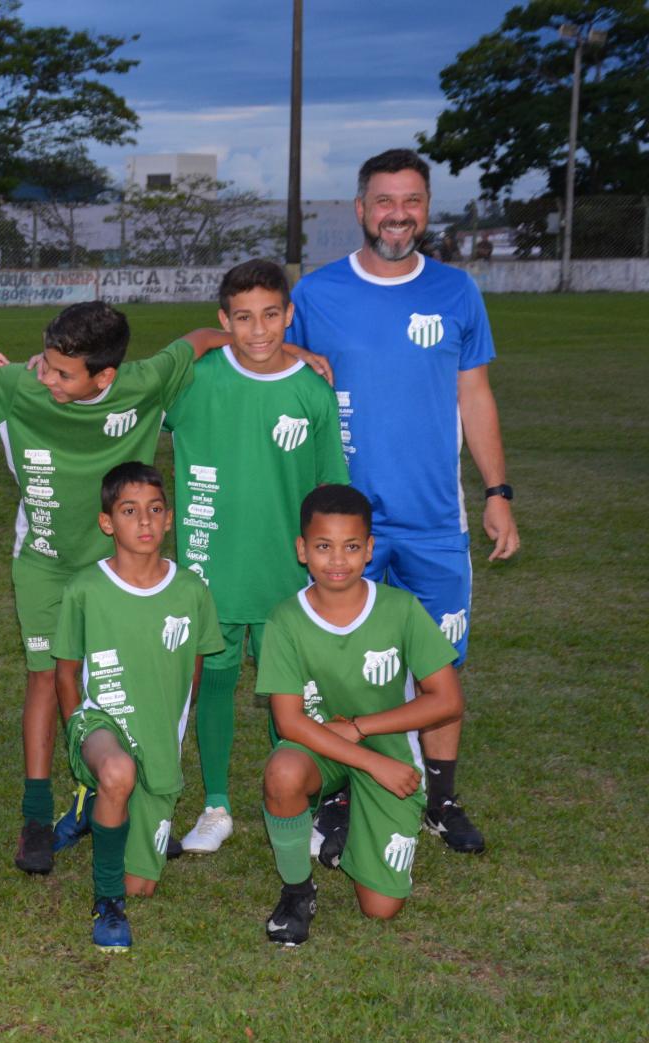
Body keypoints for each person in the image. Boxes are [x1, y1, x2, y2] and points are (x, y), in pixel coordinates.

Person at [286, 148, 518, 857]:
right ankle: (341, 794)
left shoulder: (457, 292)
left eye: (411, 200)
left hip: (434, 523)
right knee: (341, 665)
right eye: (384, 200)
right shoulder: (318, 294)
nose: (397, 214)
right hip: (344, 527)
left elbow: (474, 395)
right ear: (359, 209)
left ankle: (439, 799)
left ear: (425, 208)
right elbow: (276, 372)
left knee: (438, 664)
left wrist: (498, 493)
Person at [0, 303, 240, 875]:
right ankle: (37, 816)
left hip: (123, 572)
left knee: (141, 682)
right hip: (44, 562)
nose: (45, 377)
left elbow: (197, 340)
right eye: (45, 362)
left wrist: (276, 348)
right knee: (46, 675)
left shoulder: (143, 382)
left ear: (105, 377)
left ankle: (141, 800)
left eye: (62, 373)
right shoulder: (21, 385)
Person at [160, 260, 348, 855]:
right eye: (243, 318)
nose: (259, 330)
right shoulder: (195, 381)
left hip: (285, 576)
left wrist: (329, 567)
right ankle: (216, 805)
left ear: (290, 317)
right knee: (213, 683)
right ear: (223, 321)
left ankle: (289, 800)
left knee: (287, 696)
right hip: (212, 567)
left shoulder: (311, 390)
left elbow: (330, 489)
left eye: (271, 315)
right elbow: (129, 391)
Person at [257, 484, 464, 946]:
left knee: (380, 909)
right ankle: (297, 890)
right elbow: (290, 723)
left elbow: (447, 699)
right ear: (302, 550)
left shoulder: (400, 609)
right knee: (283, 771)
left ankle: (347, 820)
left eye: (351, 547)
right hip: (319, 747)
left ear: (369, 550)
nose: (337, 560)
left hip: (385, 748)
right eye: (323, 547)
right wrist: (369, 762)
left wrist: (361, 731)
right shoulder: (285, 620)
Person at [51, 463, 223, 950]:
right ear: (108, 523)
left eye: (154, 511)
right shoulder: (85, 589)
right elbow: (66, 670)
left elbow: (192, 670)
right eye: (129, 511)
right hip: (99, 720)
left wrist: (174, 731)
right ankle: (107, 904)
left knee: (142, 885)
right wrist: (76, 735)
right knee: (117, 771)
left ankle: (96, 809)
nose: (144, 522)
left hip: (157, 737)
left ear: (169, 519)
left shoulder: (191, 591)